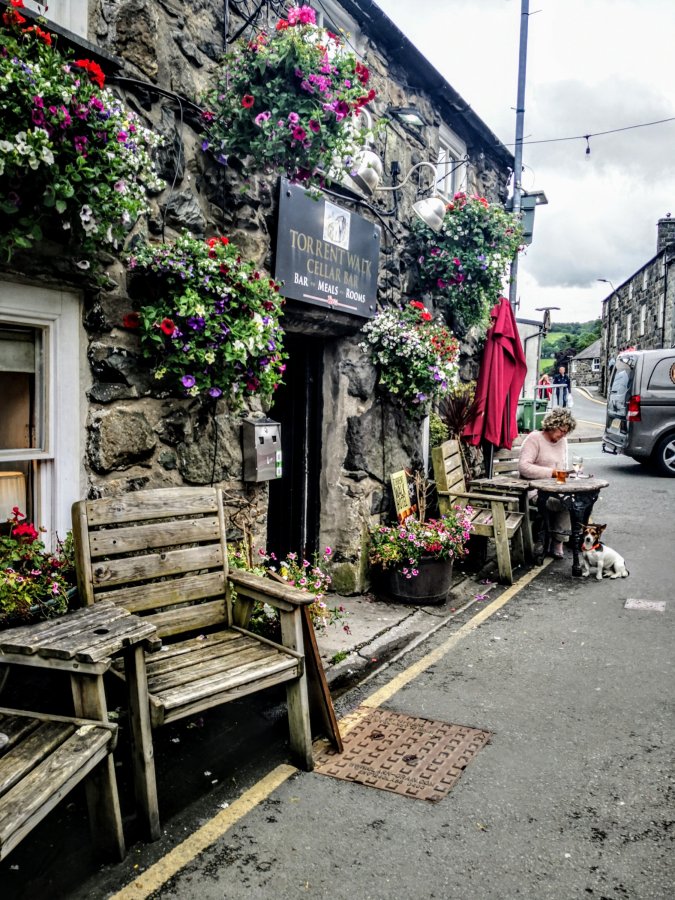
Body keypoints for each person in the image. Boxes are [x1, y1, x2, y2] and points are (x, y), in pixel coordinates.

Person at [518, 408, 577, 559]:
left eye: (566, 432)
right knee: (564, 502)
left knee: (575, 498)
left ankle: (561, 539)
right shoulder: (534, 438)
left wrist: (567, 479)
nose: (563, 435)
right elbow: (524, 467)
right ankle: (557, 540)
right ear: (552, 425)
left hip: (555, 487)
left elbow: (561, 469)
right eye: (561, 430)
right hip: (534, 489)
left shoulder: (562, 441)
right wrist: (552, 473)